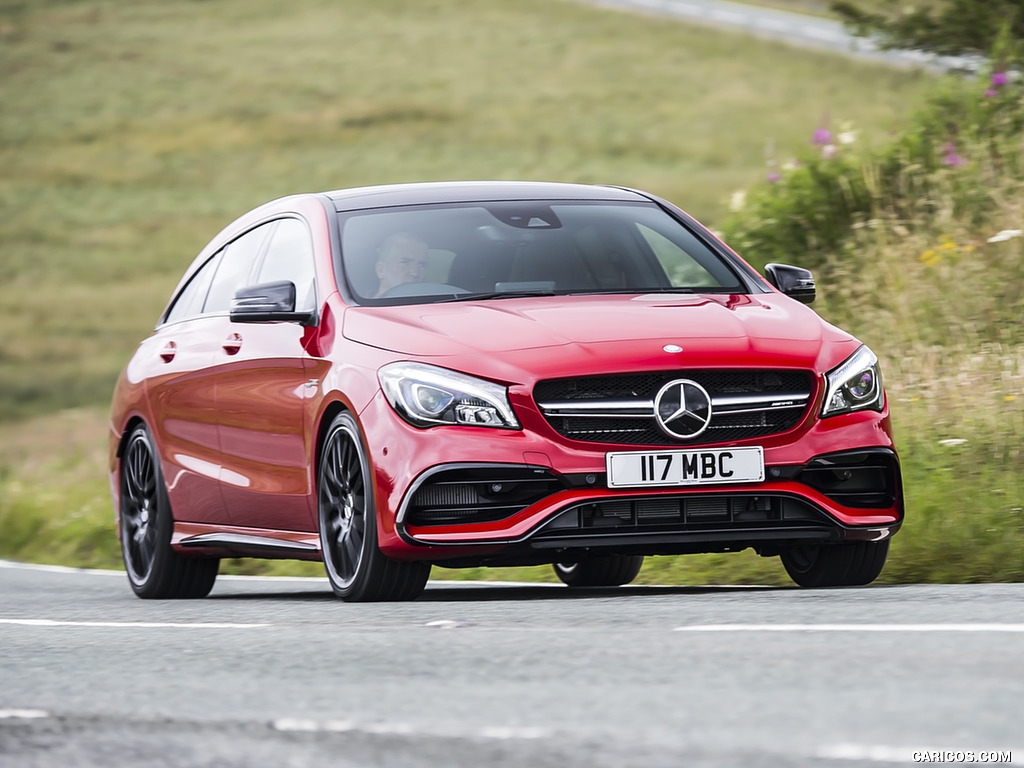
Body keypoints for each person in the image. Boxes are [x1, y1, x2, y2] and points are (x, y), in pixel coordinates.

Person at [374, 232, 428, 297]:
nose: (415, 273)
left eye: (421, 265)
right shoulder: (362, 305)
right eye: (404, 262)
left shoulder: (432, 305)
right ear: (381, 269)